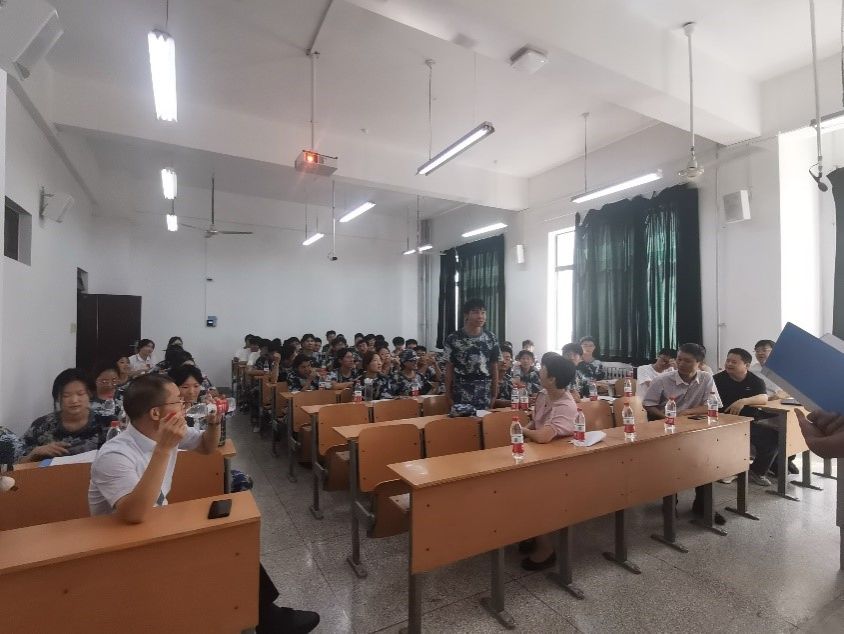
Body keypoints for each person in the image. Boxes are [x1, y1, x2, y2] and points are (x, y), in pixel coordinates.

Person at [88, 374, 319, 633]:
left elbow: (207, 447)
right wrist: (164, 448)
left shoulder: (167, 432)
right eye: (178, 400)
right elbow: (134, 514)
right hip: (124, 545)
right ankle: (266, 619)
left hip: (157, 526)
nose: (185, 404)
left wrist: (213, 422)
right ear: (155, 413)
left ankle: (267, 617)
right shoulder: (116, 454)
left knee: (232, 539)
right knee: (221, 549)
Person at [642, 343, 724, 524]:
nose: (681, 364)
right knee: (672, 465)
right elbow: (648, 404)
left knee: (705, 461)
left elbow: (713, 404)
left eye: (687, 361)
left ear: (699, 363)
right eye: (679, 359)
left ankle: (703, 505)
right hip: (666, 427)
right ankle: (670, 503)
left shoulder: (706, 377)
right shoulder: (663, 379)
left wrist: (686, 413)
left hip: (693, 426)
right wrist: (667, 417)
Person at [520, 353, 578, 570]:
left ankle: (546, 549)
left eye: (543, 368)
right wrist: (526, 430)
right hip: (538, 456)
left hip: (560, 465)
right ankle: (529, 533)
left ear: (552, 378)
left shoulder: (565, 404)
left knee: (532, 495)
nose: (539, 370)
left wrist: (520, 430)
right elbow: (536, 423)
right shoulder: (544, 394)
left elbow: (544, 436)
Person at [712, 348, 777, 487]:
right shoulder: (717, 379)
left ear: (746, 365)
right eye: (728, 361)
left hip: (748, 421)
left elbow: (763, 398)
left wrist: (743, 401)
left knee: (772, 438)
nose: (729, 364)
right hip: (723, 421)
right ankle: (730, 469)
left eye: (734, 362)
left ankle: (756, 471)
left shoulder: (755, 381)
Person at [19, 369, 103, 462]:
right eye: (66, 395)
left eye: (80, 394)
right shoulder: (41, 426)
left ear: (90, 394)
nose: (74, 400)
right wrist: (34, 453)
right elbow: (16, 464)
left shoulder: (106, 423)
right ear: (58, 398)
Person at [443, 298, 501, 410]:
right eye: (475, 312)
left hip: (484, 393)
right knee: (463, 421)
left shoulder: (491, 338)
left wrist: (494, 394)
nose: (480, 316)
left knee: (484, 421)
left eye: (483, 312)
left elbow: (494, 367)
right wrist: (448, 395)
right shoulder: (453, 338)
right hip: (460, 393)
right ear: (466, 315)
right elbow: (449, 369)